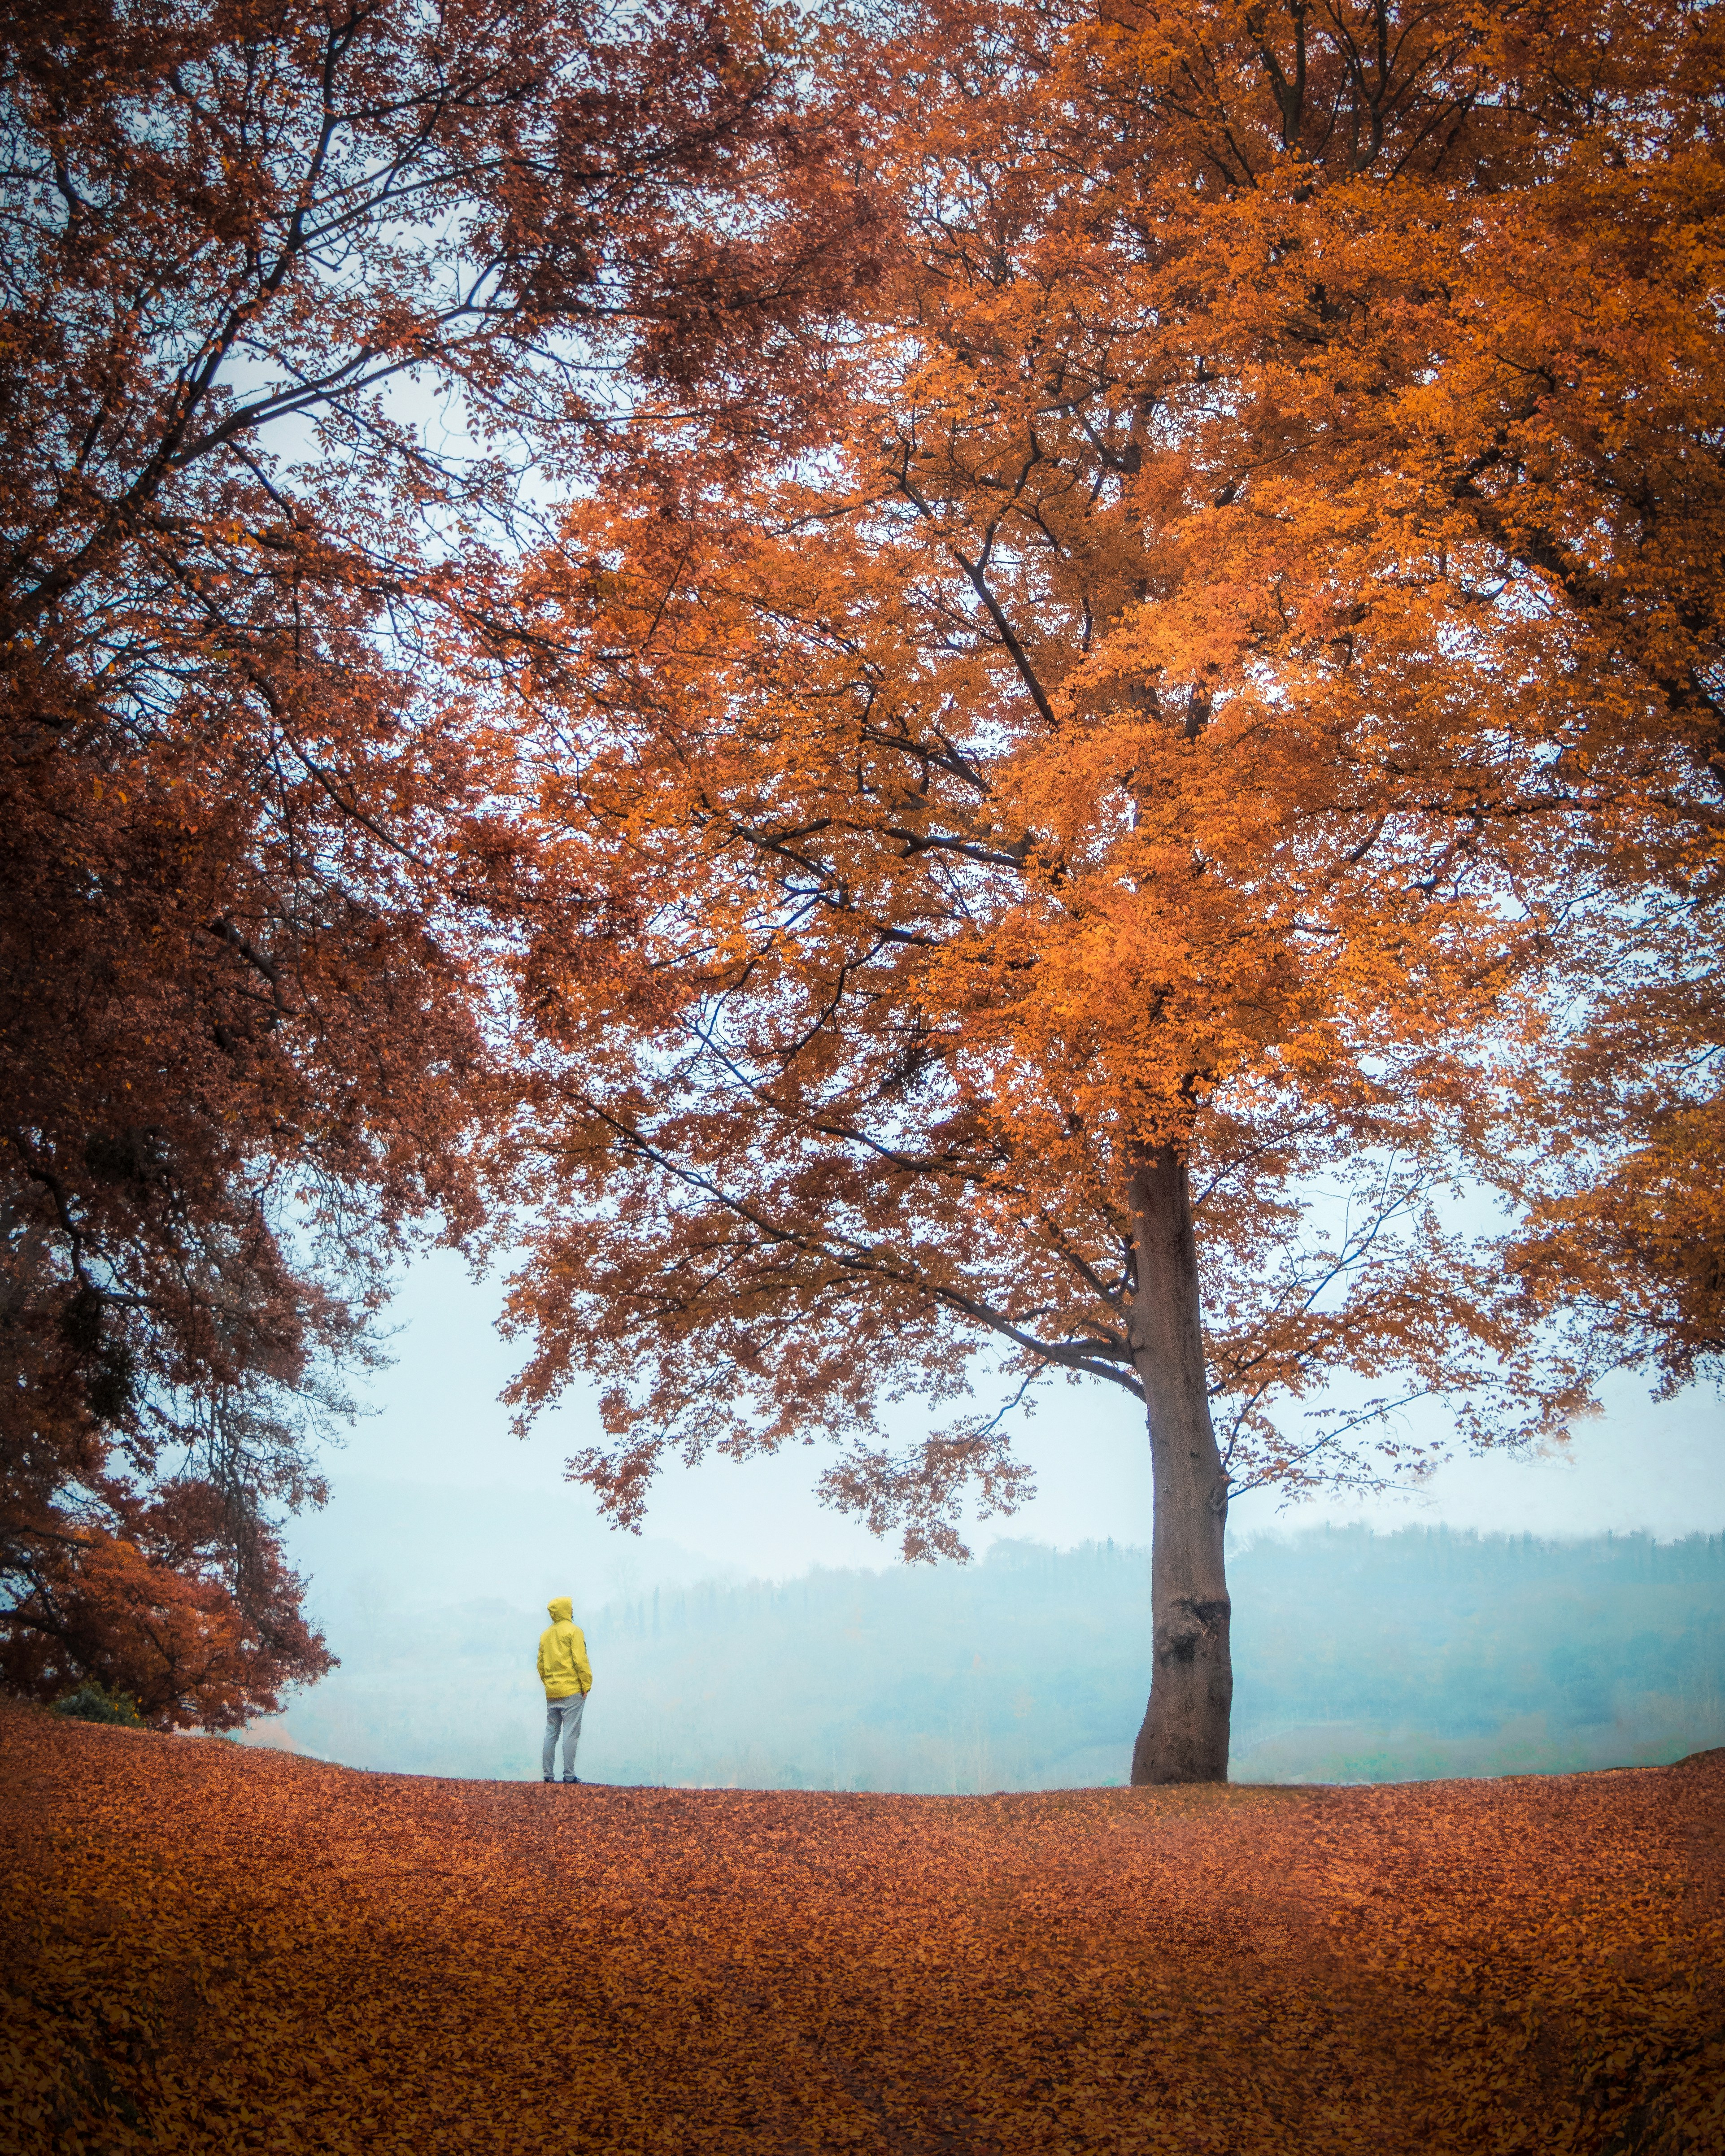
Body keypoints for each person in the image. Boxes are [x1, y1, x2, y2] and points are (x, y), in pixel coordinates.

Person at [537, 1594, 592, 1785]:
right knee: (571, 1732)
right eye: (571, 1609)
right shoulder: (574, 1632)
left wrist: (549, 1684)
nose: (573, 1612)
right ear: (567, 1611)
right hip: (572, 1692)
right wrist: (586, 1685)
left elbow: (541, 1665)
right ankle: (569, 1776)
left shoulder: (545, 1635)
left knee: (551, 1731)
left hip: (552, 1692)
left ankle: (548, 1775)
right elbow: (580, 1661)